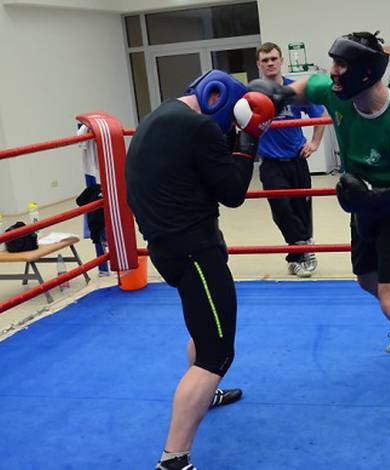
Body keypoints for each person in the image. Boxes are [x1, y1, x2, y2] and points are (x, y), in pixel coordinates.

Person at [249, 31, 390, 433]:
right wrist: (268, 99)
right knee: (367, 281)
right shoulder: (334, 92)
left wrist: (385, 193)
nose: (333, 72)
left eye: (341, 65)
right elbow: (298, 88)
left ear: (364, 72)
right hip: (361, 204)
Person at [125, 69, 275, 470]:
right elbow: (233, 193)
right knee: (217, 352)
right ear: (217, 97)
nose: (225, 127)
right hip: (195, 251)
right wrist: (249, 139)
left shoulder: (157, 119)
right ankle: (173, 460)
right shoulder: (199, 128)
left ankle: (205, 396)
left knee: (201, 325)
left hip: (165, 248)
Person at [255, 42, 328, 278]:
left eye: (273, 59)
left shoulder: (294, 90)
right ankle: (302, 248)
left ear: (281, 60)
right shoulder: (253, 94)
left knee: (301, 208)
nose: (270, 63)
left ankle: (302, 251)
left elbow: (321, 114)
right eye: (265, 60)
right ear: (259, 64)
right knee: (281, 208)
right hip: (270, 162)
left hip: (296, 158)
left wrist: (315, 142)